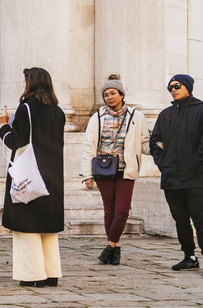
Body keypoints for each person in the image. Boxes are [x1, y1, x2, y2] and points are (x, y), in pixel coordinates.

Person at [0, 67, 65, 288]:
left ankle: (33, 274)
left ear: (31, 82)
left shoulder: (26, 108)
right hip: (53, 175)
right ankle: (52, 273)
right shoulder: (58, 111)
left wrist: (4, 125)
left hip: (31, 174)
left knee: (27, 226)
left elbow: (14, 141)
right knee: (48, 227)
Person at [149, 74, 203, 277]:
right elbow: (155, 141)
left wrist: (195, 161)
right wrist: (162, 162)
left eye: (177, 85)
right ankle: (189, 257)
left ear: (188, 87)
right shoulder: (165, 115)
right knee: (180, 220)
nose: (173, 89)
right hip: (171, 177)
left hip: (196, 176)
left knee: (200, 219)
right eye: (169, 87)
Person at [80, 73, 151, 265]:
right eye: (106, 95)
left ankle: (110, 246)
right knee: (109, 210)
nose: (109, 97)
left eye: (113, 93)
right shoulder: (98, 117)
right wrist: (87, 174)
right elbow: (89, 145)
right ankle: (115, 248)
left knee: (122, 210)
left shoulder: (137, 116)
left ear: (121, 94)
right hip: (103, 169)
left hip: (126, 169)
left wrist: (160, 147)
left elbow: (145, 143)